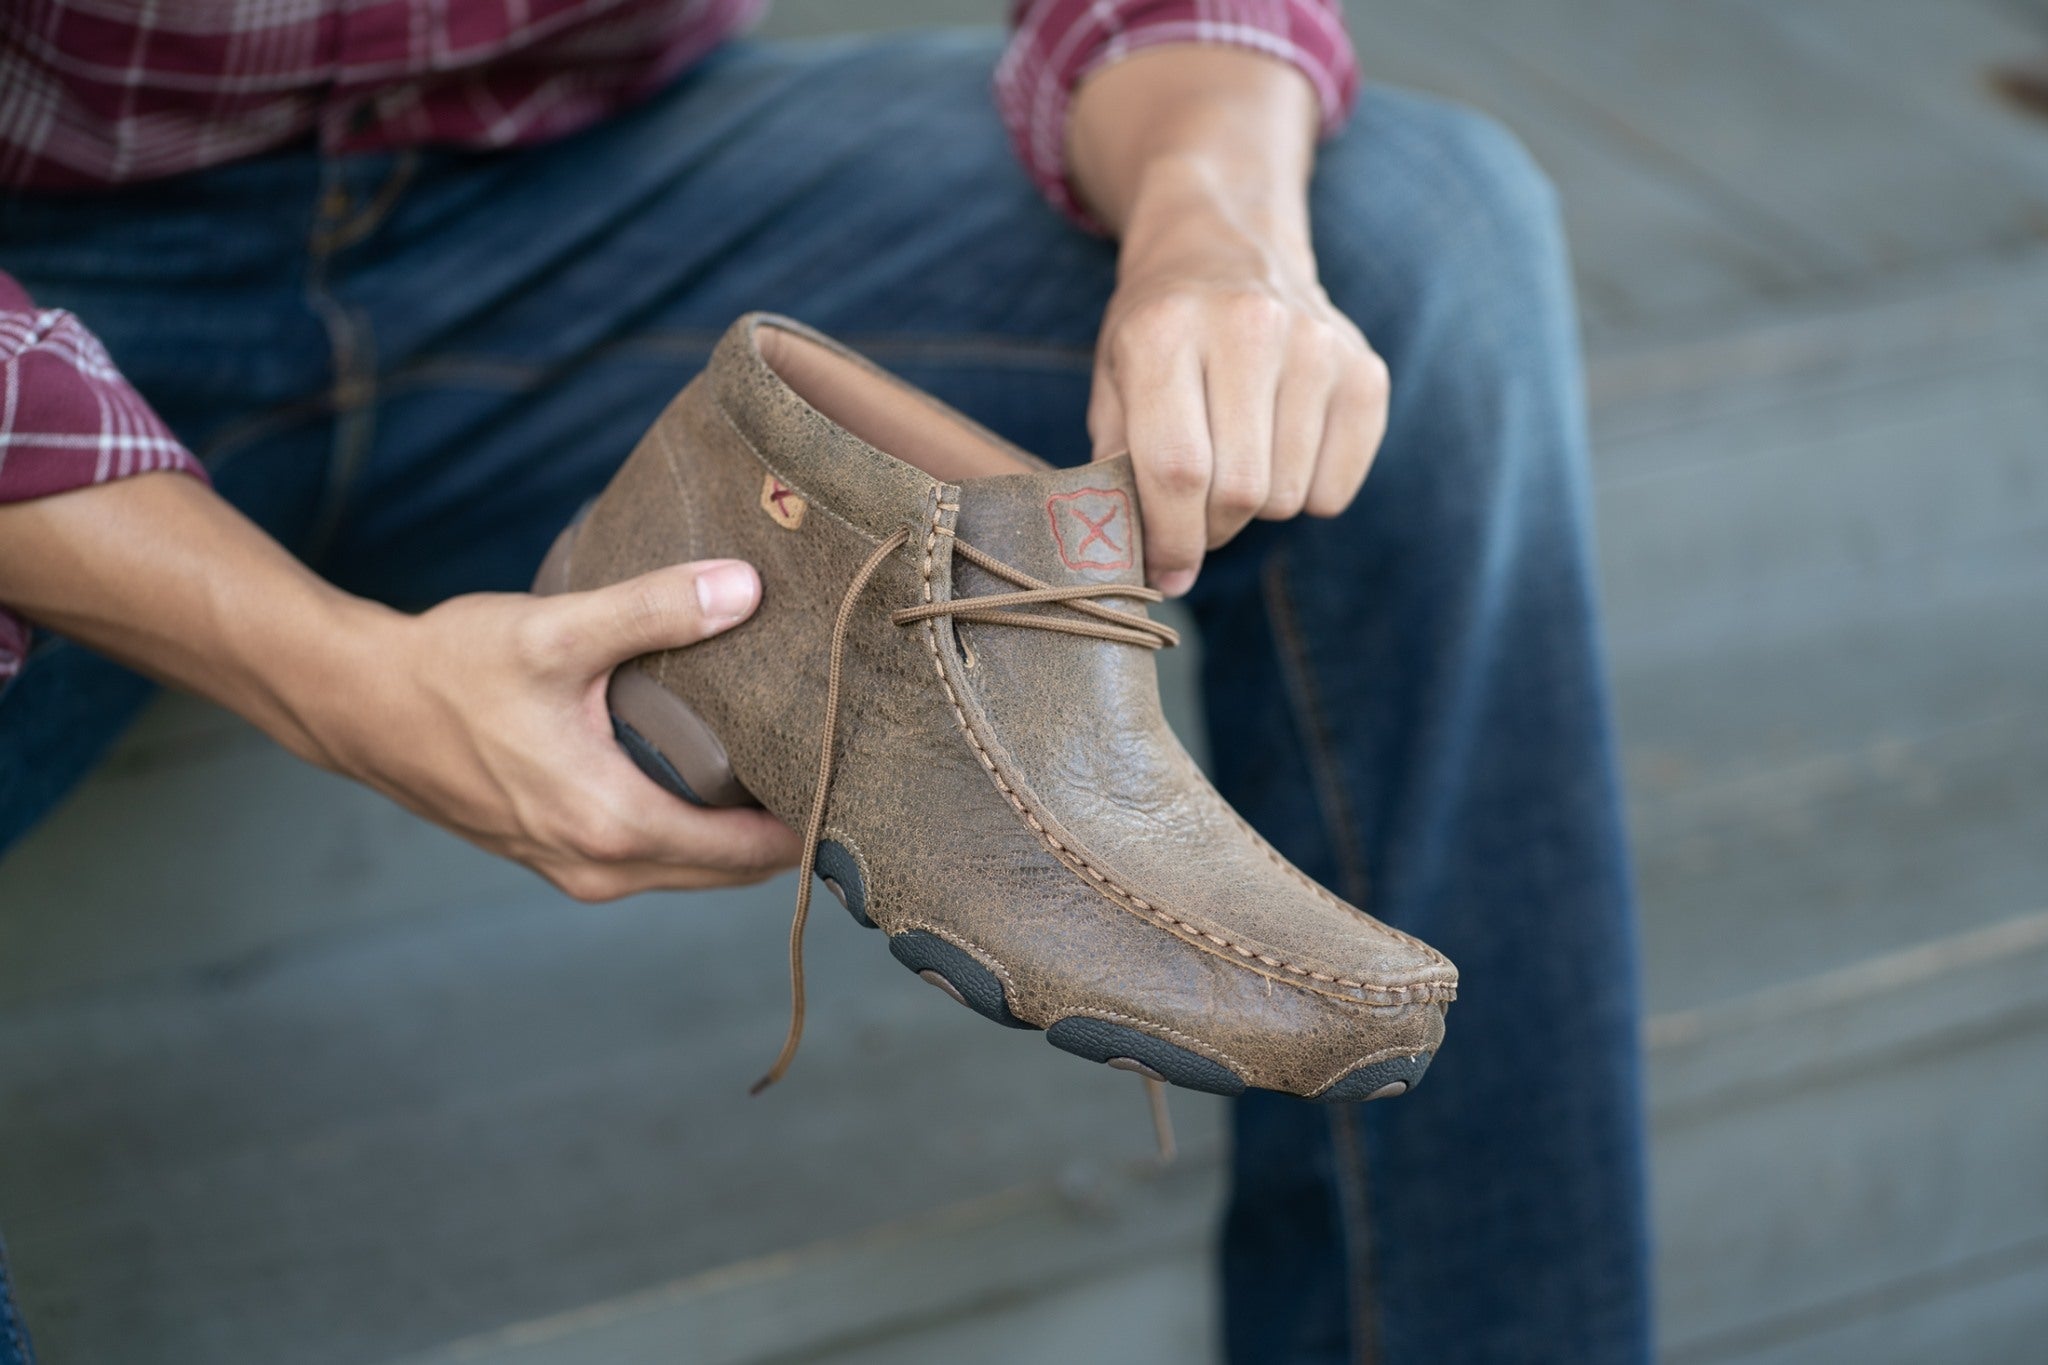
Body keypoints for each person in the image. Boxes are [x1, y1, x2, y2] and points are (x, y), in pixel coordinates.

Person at [0, 2, 1651, 1360]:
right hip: (52, 267)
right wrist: (324, 670)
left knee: (1421, 244)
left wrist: (1217, 239)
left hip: (592, 185)